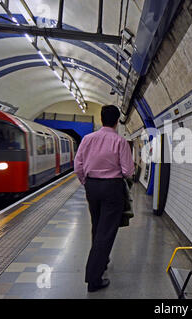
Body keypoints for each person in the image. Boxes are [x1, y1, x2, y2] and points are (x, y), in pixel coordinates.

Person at [74, 105, 134, 292]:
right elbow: (128, 171)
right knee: (106, 232)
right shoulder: (120, 142)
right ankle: (94, 278)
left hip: (92, 186)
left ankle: (102, 260)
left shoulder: (87, 139)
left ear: (101, 119)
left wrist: (86, 182)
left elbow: (78, 165)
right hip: (112, 188)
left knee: (97, 225)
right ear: (117, 121)